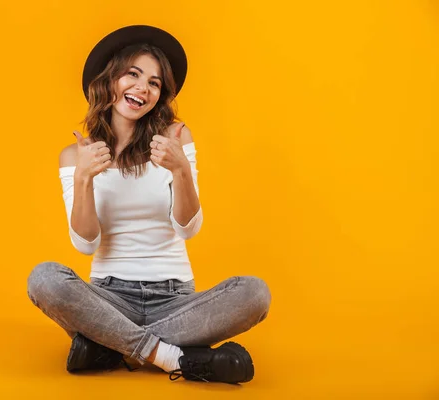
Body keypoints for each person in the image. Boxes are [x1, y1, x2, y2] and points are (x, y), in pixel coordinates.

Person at [27, 25, 271, 384]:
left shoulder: (174, 138)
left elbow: (188, 228)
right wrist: (83, 179)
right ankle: (174, 357)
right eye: (133, 74)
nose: (143, 88)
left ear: (161, 94)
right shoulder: (74, 156)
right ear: (110, 80)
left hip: (175, 298)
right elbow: (85, 244)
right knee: (44, 278)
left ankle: (110, 345)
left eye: (154, 83)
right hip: (109, 296)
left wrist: (181, 169)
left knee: (255, 293)